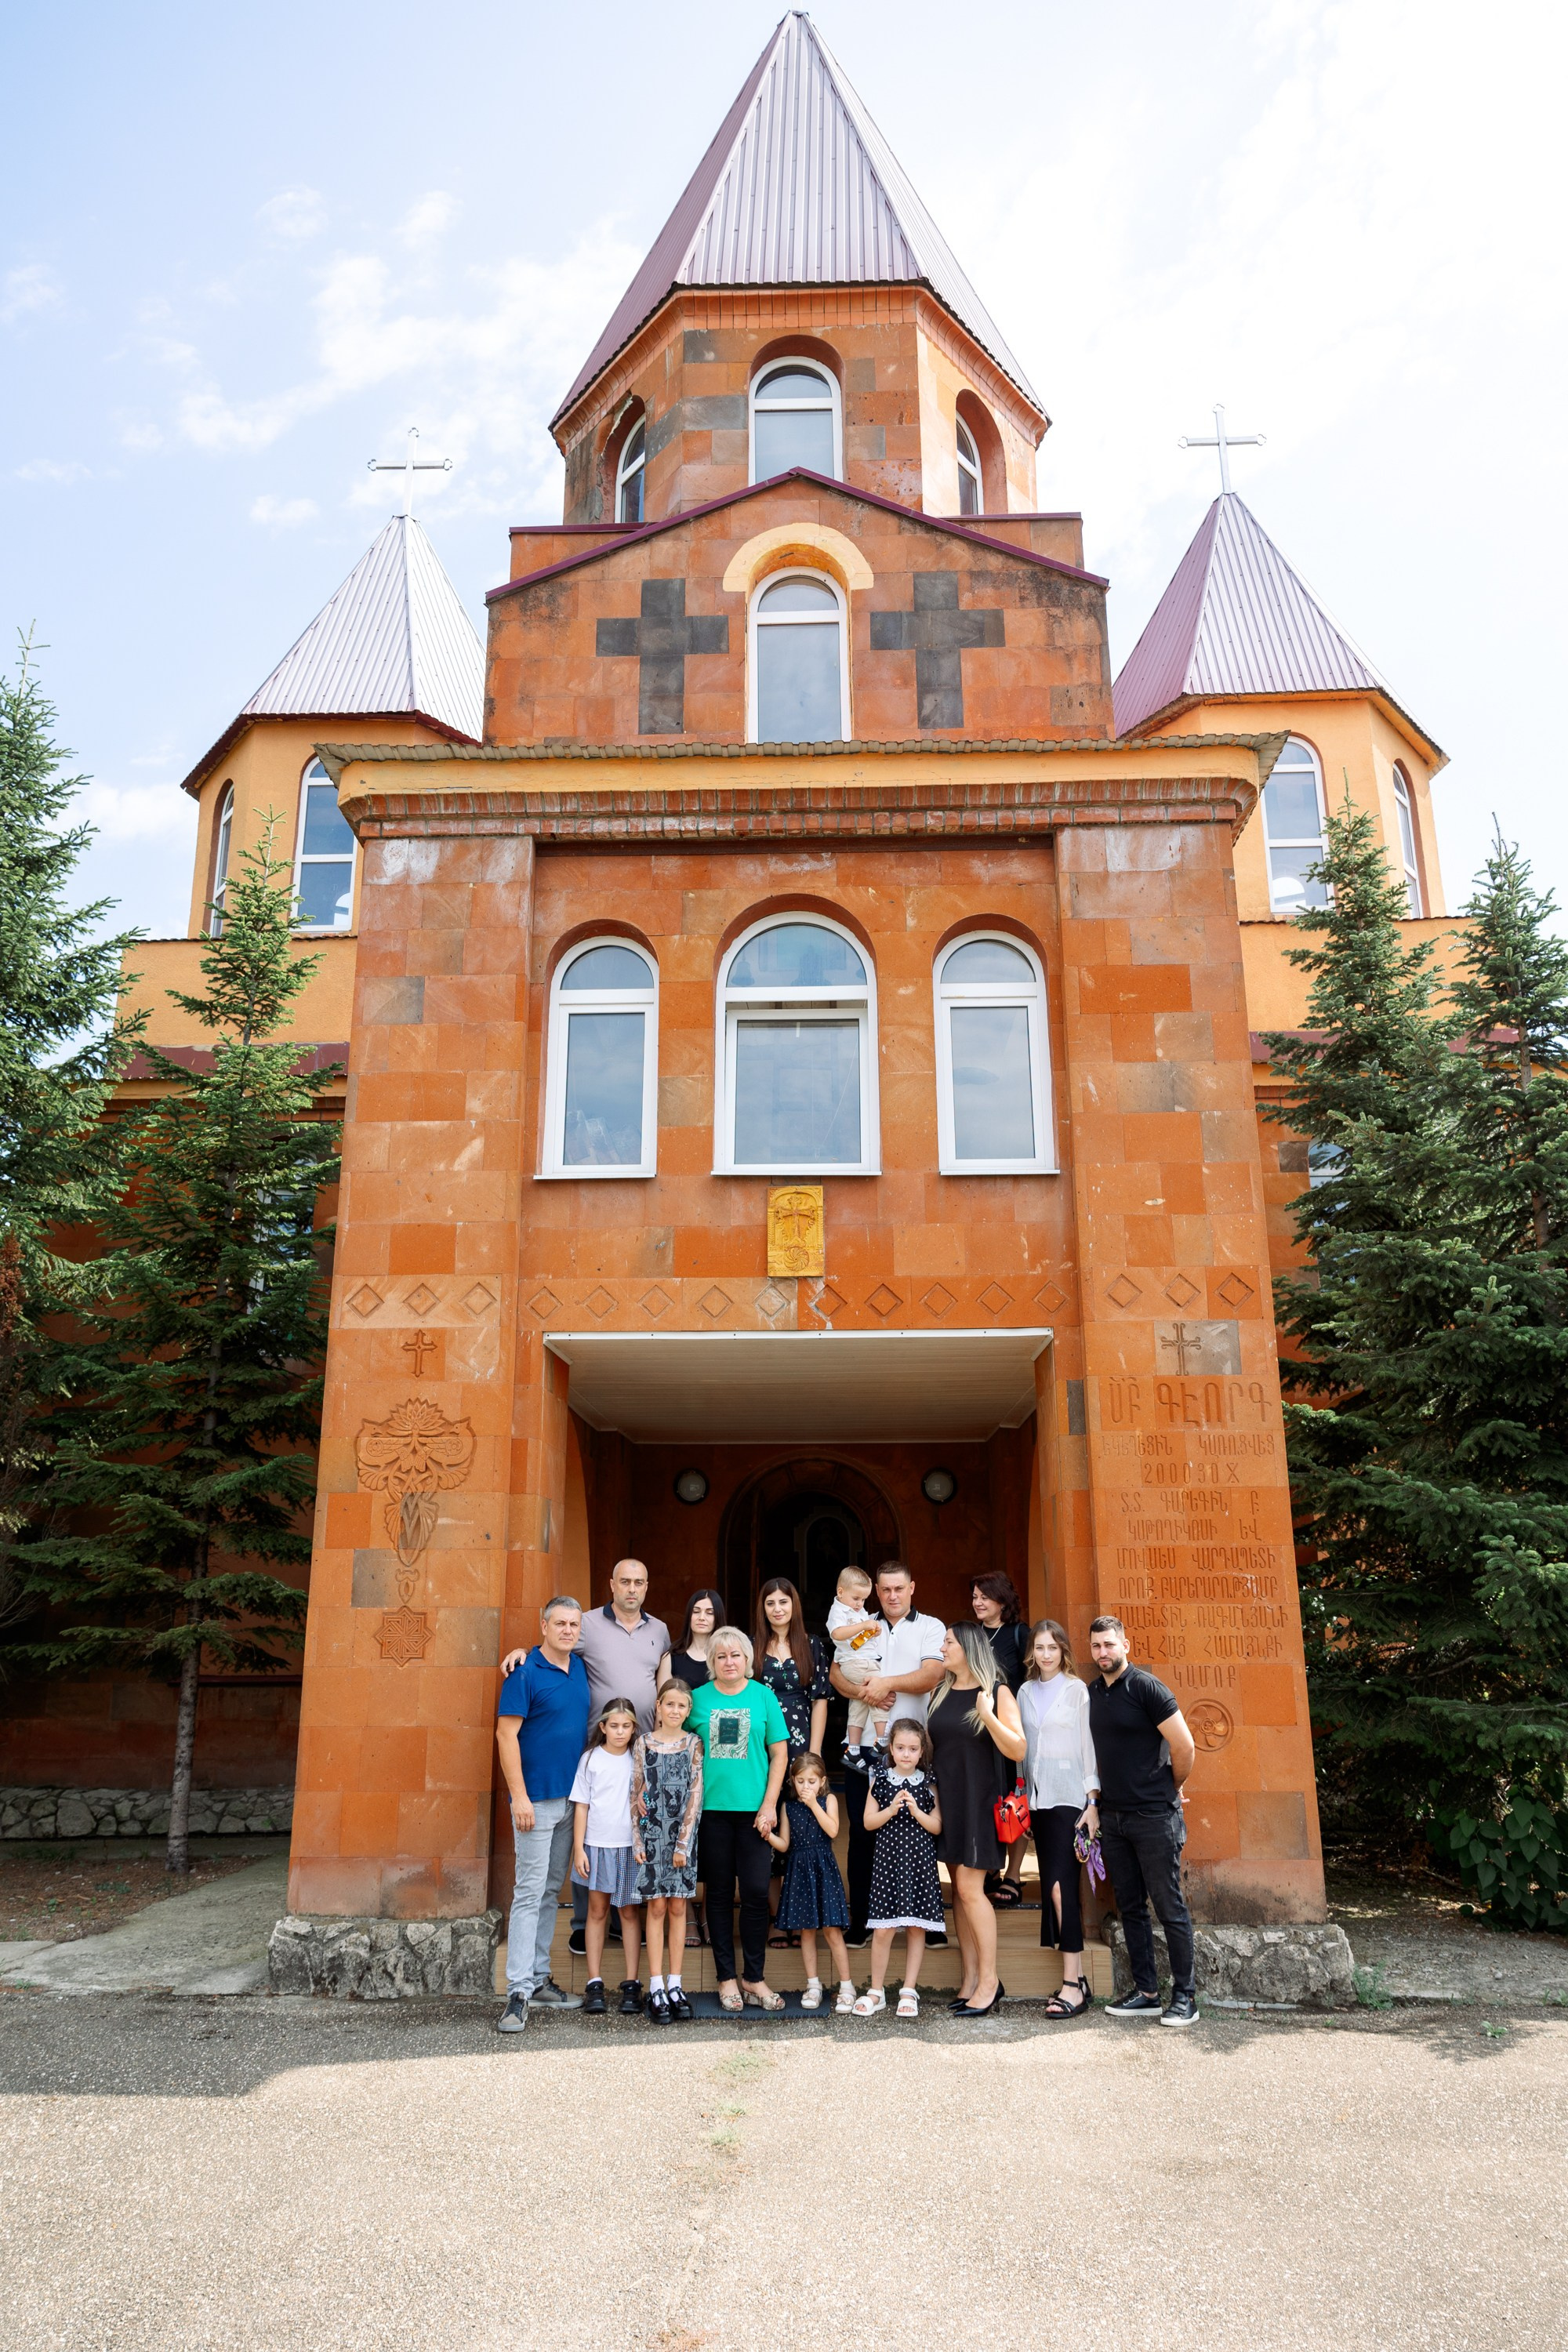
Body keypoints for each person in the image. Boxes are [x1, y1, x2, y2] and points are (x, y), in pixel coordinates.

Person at [505, 1558, 670, 1956]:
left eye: (639, 1583)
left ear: (647, 1587)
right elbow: (553, 1648)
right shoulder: (588, 1623)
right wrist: (521, 1652)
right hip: (592, 1752)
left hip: (640, 1750)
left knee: (631, 1829)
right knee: (591, 1833)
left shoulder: (660, 1630)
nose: (632, 1589)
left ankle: (628, 1913)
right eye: (625, 1581)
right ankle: (584, 1922)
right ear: (611, 1584)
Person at [1087, 1615, 1200, 2028]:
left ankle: (1185, 1997)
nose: (1104, 1652)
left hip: (1155, 1816)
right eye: (1097, 1646)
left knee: (1169, 1906)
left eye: (1110, 1645)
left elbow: (1184, 1745)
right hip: (1114, 1818)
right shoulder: (1093, 1693)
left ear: (1126, 1645)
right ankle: (1147, 1992)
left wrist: (1171, 1787)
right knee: (1130, 1907)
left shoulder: (1147, 1688)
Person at [829, 1563, 946, 1945]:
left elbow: (932, 1675)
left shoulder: (930, 1626)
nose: (892, 1596)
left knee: (917, 1834)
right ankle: (863, 1922)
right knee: (865, 1835)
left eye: (899, 1588)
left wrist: (885, 1684)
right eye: (885, 1590)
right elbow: (836, 1674)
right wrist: (866, 1692)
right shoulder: (864, 1623)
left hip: (916, 1751)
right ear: (876, 1591)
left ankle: (924, 1925)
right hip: (869, 1750)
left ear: (912, 1587)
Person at [493, 1594, 593, 2034]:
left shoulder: (580, 1669)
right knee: (529, 1892)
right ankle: (517, 1993)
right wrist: (519, 1797)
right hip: (535, 1802)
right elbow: (506, 1735)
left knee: (552, 1890)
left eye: (574, 1624)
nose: (568, 1630)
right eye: (560, 1624)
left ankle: (538, 1979)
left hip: (572, 1801)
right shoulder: (524, 1672)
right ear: (543, 1626)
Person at [927, 1622, 1025, 2018]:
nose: (942, 1647)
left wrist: (988, 1715)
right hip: (948, 1800)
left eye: (948, 1642)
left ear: (968, 1647)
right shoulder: (941, 1690)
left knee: (970, 1889)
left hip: (978, 1801)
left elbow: (1017, 1748)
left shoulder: (997, 1691)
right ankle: (969, 1980)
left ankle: (990, 1982)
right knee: (958, 1891)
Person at [688, 1628, 790, 2012]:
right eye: (721, 1656)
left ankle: (754, 1977)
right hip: (711, 1812)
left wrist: (769, 1805)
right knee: (716, 1894)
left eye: (736, 1655)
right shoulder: (696, 1700)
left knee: (755, 1893)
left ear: (747, 1659)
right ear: (712, 1662)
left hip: (755, 1813)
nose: (729, 1662)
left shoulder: (764, 1697)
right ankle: (726, 1978)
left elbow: (779, 1755)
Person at [1019, 1617, 1100, 2020]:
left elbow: (1087, 1745)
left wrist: (1093, 1801)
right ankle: (1079, 1978)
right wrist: (1021, 1794)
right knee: (1056, 1887)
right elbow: (1023, 1749)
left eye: (1053, 1647)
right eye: (1040, 1647)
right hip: (1038, 1801)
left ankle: (1073, 1986)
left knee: (1059, 1887)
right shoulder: (1024, 1691)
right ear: (1032, 1651)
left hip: (1071, 1800)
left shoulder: (1077, 1691)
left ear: (1063, 1650)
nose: (1046, 1654)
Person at [855, 1718, 944, 2018]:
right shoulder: (880, 1779)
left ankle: (909, 1989)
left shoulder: (928, 1783)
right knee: (884, 1929)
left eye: (913, 1749)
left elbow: (937, 1826)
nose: (907, 1754)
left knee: (917, 1927)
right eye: (901, 1747)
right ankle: (876, 1991)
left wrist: (916, 1810)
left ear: (921, 1752)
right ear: (891, 1748)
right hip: (888, 1865)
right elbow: (868, 1822)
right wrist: (891, 1809)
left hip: (918, 1865)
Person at [631, 1679, 702, 2024]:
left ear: (689, 1711)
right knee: (655, 1907)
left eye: (682, 1706)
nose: (675, 1711)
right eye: (669, 1704)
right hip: (652, 1835)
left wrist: (684, 1844)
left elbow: (695, 1795)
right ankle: (656, 1984)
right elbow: (635, 1795)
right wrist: (637, 1841)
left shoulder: (693, 1744)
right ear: (658, 1706)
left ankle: (676, 1983)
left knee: (678, 1906)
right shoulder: (643, 1743)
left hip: (681, 1839)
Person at [569, 1698, 645, 2016]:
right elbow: (582, 1805)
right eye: (613, 1725)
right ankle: (594, 1983)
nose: (620, 1731)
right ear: (602, 1727)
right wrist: (578, 1848)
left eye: (626, 1726)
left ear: (633, 1729)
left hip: (629, 1847)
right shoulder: (590, 1760)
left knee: (628, 1913)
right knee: (597, 1912)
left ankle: (631, 1984)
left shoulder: (638, 1759)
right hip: (597, 1847)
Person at [764, 1751, 855, 2013]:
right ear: (793, 1781)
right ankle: (813, 1985)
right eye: (801, 1781)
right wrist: (768, 1835)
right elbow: (784, 1844)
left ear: (822, 1781)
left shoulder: (829, 1801)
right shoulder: (788, 1807)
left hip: (823, 1869)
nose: (807, 1787)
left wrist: (814, 1803)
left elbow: (833, 1830)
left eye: (812, 1781)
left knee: (832, 1930)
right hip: (799, 1871)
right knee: (806, 1931)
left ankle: (847, 1986)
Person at [971, 1571, 1030, 1907]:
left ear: (1003, 1602)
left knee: (1014, 1799)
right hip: (979, 1731)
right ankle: (991, 1867)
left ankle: (1014, 1874)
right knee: (990, 1799)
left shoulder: (1020, 1634)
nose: (977, 1602)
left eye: (984, 1597)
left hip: (1010, 1729)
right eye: (975, 1597)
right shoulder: (971, 1636)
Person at [754, 1577, 830, 1757]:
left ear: (794, 1605)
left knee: (801, 1784)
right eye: (770, 1603)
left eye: (783, 1602)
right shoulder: (751, 1646)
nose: (777, 1609)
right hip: (762, 1736)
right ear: (763, 1609)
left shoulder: (812, 1645)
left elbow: (819, 1699)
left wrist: (815, 1751)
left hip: (801, 1734)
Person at [826, 1564, 887, 1769]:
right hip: (857, 1663)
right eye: (856, 1598)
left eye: (863, 1599)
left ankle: (852, 1749)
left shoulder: (858, 1611)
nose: (860, 1604)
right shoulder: (839, 1611)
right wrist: (863, 1625)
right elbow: (837, 1634)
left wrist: (871, 1632)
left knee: (859, 1704)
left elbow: (856, 1640)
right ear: (840, 1592)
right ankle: (882, 1741)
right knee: (877, 1694)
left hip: (859, 1658)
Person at [658, 1588, 726, 1693]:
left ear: (718, 1617)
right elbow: (663, 1704)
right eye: (696, 1611)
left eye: (709, 1613)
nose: (702, 1617)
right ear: (689, 1615)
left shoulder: (727, 1657)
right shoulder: (670, 1658)